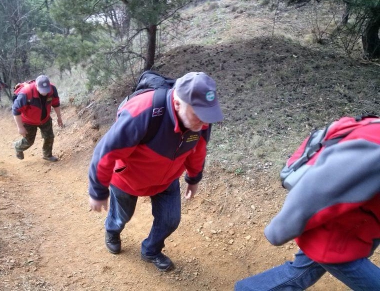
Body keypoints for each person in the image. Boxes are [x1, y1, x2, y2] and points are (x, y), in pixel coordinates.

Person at [88, 72, 223, 272]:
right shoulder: (142, 111)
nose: (204, 123)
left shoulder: (201, 122)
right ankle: (112, 230)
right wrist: (98, 191)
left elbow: (198, 150)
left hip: (166, 179)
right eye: (198, 115)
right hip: (128, 178)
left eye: (208, 116)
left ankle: (151, 250)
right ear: (177, 103)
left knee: (170, 220)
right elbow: (106, 151)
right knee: (121, 216)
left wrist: (194, 178)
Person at [234, 117, 380, 290]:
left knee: (299, 274)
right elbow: (316, 190)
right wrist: (278, 231)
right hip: (337, 240)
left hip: (344, 231)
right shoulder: (375, 147)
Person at [12, 75, 63, 162]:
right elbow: (16, 110)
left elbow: (56, 103)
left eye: (46, 90)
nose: (44, 93)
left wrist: (59, 117)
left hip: (45, 118)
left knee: (49, 137)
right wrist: (20, 127)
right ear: (36, 86)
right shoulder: (26, 93)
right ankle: (18, 147)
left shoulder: (52, 89)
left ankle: (47, 155)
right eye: (42, 91)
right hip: (28, 121)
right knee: (29, 141)